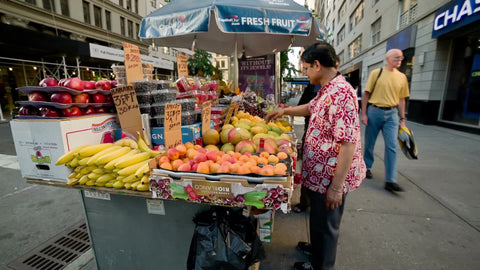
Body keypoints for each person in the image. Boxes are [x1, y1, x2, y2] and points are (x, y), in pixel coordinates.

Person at [266, 42, 366, 270]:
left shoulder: (342, 94)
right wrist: (285, 110)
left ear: (317, 65)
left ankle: (322, 265)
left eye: (306, 68)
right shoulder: (328, 88)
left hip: (330, 179)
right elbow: (312, 107)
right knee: (319, 222)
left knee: (327, 227)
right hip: (320, 177)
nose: (305, 73)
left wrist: (337, 187)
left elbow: (348, 144)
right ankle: (317, 253)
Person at [361, 48, 409, 193]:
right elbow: (366, 95)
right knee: (369, 143)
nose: (399, 60)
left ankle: (391, 180)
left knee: (392, 146)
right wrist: (364, 114)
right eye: (396, 57)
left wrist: (402, 119)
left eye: (401, 58)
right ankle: (366, 167)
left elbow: (402, 99)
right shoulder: (377, 73)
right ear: (388, 58)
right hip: (374, 111)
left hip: (392, 114)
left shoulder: (402, 77)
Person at [293, 82, 321, 213]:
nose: (307, 73)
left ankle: (318, 203)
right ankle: (305, 202)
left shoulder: (338, 88)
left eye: (309, 68)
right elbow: (303, 106)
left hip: (326, 139)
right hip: (310, 130)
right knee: (307, 166)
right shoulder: (312, 86)